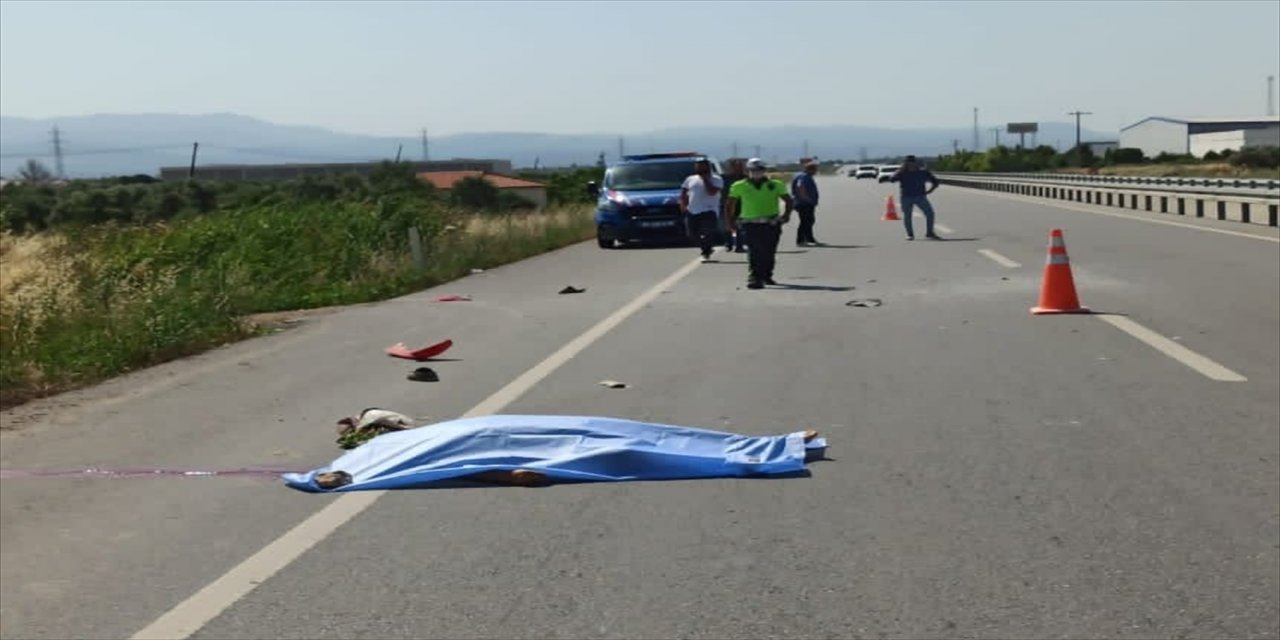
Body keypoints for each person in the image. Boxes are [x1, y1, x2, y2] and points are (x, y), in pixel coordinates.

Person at [725, 158, 793, 289]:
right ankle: (754, 277)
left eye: (760, 170)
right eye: (753, 170)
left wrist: (786, 215)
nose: (757, 173)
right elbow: (729, 205)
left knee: (769, 251)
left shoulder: (775, 184)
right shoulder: (739, 186)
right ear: (748, 171)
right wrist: (730, 221)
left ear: (765, 171)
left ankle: (767, 275)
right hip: (750, 224)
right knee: (755, 251)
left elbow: (788, 200)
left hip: (771, 223)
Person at [679, 157, 725, 262]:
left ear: (707, 166)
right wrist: (683, 204)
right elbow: (684, 192)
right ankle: (706, 249)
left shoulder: (716, 179)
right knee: (692, 235)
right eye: (697, 165)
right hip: (693, 209)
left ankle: (706, 250)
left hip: (709, 210)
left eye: (702, 165)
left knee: (708, 232)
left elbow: (712, 192)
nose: (699, 167)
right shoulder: (690, 179)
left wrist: (705, 179)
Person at [889, 155, 942, 240]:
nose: (910, 165)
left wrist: (929, 191)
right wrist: (899, 171)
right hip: (906, 197)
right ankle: (910, 234)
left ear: (916, 163)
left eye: (912, 163)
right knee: (907, 216)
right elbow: (891, 179)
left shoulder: (922, 172)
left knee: (930, 214)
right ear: (905, 164)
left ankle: (929, 233)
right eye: (908, 163)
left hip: (920, 197)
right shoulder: (902, 173)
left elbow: (935, 182)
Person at [790, 158, 822, 246]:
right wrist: (807, 198)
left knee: (810, 220)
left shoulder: (805, 176)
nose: (816, 172)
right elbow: (800, 187)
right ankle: (800, 240)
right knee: (805, 221)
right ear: (810, 169)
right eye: (814, 170)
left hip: (806, 203)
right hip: (803, 203)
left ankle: (809, 238)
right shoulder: (803, 176)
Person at [719, 158, 748, 252]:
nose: (738, 168)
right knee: (726, 224)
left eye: (740, 166)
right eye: (736, 166)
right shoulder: (724, 178)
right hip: (727, 203)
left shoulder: (746, 178)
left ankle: (739, 245)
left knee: (741, 225)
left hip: (742, 204)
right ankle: (728, 243)